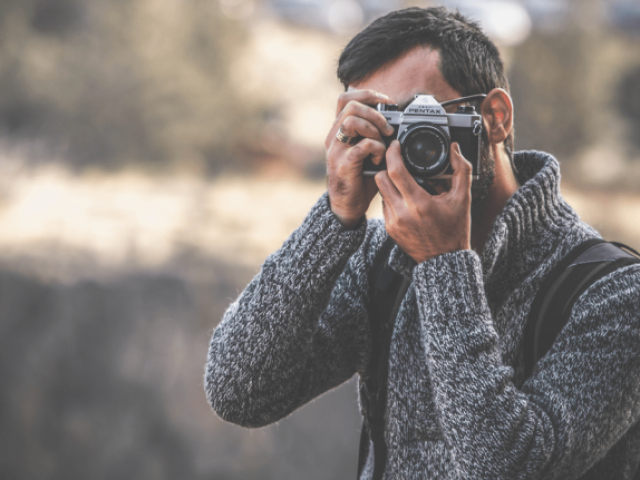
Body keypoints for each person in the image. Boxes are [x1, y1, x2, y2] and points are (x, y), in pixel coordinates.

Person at [205, 7, 640, 479]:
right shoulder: (380, 261)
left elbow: (507, 469)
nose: (404, 147)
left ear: (495, 117)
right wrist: (334, 219)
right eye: (382, 125)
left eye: (422, 118)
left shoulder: (615, 295)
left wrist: (445, 265)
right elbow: (239, 392)